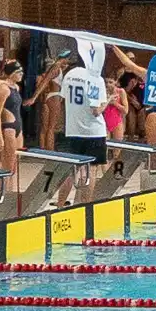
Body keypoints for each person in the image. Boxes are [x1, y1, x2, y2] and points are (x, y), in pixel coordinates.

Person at [54, 50, 110, 205]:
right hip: (94, 132)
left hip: (73, 130)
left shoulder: (70, 74)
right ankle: (86, 205)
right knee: (91, 170)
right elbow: (96, 111)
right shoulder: (96, 78)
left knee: (72, 170)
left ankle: (59, 205)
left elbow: (63, 100)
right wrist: (108, 100)